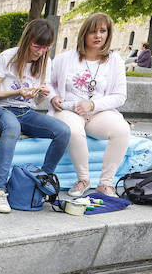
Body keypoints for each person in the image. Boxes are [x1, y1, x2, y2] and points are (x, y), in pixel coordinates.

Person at [0, 19, 70, 213]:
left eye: (46, 48)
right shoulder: (8, 57)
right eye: (36, 46)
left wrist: (41, 94)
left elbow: (37, 103)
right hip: (3, 109)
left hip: (27, 112)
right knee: (12, 128)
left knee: (63, 131)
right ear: (27, 40)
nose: (40, 52)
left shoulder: (45, 62)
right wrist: (17, 93)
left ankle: (42, 182)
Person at [50, 12, 128, 197]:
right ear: (84, 34)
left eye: (103, 31)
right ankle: (83, 180)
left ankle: (106, 183)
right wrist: (53, 97)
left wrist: (92, 105)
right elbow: (48, 83)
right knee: (74, 131)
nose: (98, 36)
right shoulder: (64, 58)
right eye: (93, 31)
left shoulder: (115, 60)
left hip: (98, 111)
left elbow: (120, 96)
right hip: (69, 109)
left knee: (122, 130)